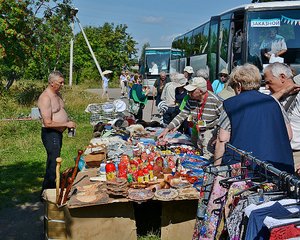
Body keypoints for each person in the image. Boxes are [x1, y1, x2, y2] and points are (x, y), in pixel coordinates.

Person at [214, 63, 294, 173]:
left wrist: (216, 168)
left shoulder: (230, 104)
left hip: (243, 169)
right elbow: (289, 135)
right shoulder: (274, 102)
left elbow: (222, 139)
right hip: (277, 168)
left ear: (238, 86)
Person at [158, 77, 223, 159]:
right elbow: (182, 115)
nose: (188, 93)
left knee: (207, 156)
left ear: (200, 91)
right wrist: (167, 129)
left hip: (210, 132)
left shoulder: (215, 101)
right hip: (198, 129)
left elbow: (225, 119)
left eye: (191, 91)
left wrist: (218, 136)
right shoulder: (191, 100)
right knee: (197, 152)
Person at [38, 71, 76, 192]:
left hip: (57, 133)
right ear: (52, 83)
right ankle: (48, 192)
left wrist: (67, 122)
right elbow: (47, 122)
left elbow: (59, 112)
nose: (63, 84)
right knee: (53, 162)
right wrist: (66, 123)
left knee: (56, 161)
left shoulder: (57, 94)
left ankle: (52, 188)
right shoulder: (45, 97)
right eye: (60, 82)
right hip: (50, 134)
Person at [263, 62, 300, 172]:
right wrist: (283, 91)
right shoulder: (274, 96)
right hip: (278, 156)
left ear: (282, 77)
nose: (266, 86)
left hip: (297, 156)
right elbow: (262, 106)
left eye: (269, 82)